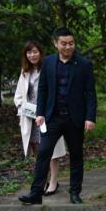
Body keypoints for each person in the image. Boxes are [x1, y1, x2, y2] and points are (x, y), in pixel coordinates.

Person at [18, 28, 97, 205]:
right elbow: (43, 89)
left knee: (76, 156)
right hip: (53, 117)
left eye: (71, 43)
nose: (68, 47)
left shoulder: (84, 64)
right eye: (64, 43)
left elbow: (90, 93)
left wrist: (90, 117)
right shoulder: (48, 62)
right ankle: (36, 193)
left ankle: (75, 193)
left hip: (75, 118)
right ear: (56, 43)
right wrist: (40, 114)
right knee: (43, 154)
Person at [14, 41, 66, 196]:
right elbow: (18, 96)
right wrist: (23, 107)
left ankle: (53, 182)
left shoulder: (49, 69)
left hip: (49, 115)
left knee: (52, 151)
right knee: (38, 151)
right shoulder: (25, 72)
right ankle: (41, 180)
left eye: (35, 52)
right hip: (31, 117)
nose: (32, 55)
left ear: (40, 53)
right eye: (29, 53)